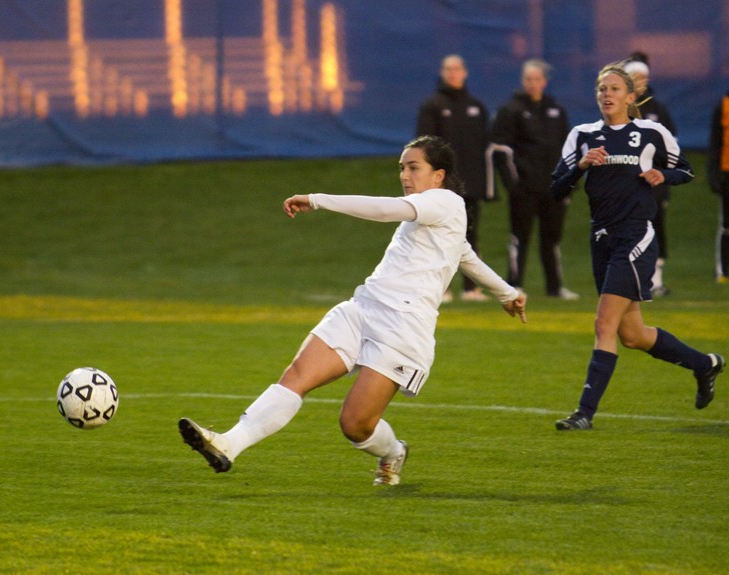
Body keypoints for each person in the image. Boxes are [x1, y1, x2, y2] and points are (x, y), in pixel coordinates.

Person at [179, 136, 527, 484]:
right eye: (401, 168)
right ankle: (227, 443)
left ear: (438, 175)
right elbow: (466, 256)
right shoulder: (436, 216)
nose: (405, 175)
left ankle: (393, 452)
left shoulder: (445, 201)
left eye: (413, 167)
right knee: (296, 377)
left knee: (355, 424)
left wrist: (318, 200)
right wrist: (507, 293)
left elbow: (385, 209)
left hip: (403, 329)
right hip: (362, 308)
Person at [550, 62, 725, 431]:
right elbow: (555, 189)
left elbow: (687, 170)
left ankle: (584, 413)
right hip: (601, 237)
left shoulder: (651, 132)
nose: (607, 95)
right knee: (633, 335)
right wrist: (581, 166)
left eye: (614, 89)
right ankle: (705, 364)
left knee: (604, 323)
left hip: (635, 236)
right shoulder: (582, 134)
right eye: (602, 89)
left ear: (630, 97)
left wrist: (664, 174)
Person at [492, 59, 579, 300]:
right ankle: (514, 284)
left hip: (553, 188)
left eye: (537, 79)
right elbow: (501, 150)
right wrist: (513, 184)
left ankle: (555, 287)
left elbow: (568, 149)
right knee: (519, 237)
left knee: (552, 239)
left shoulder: (556, 110)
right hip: (525, 188)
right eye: (528, 79)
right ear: (523, 81)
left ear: (545, 81)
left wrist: (568, 183)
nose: (533, 83)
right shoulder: (510, 110)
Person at [416, 55, 492, 303]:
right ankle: (441, 288)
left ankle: (471, 288)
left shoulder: (476, 107)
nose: (453, 73)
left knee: (469, 235)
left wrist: (483, 184)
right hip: (441, 186)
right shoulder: (432, 105)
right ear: (442, 72)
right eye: (448, 69)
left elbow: (484, 148)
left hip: (469, 185)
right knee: (438, 236)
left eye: (457, 68)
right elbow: (423, 147)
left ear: (465, 72)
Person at [624, 53, 677, 296]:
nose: (641, 81)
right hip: (628, 182)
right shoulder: (621, 106)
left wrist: (666, 175)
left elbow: (671, 145)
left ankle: (656, 280)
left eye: (643, 77)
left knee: (656, 228)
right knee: (629, 229)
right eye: (636, 77)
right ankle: (630, 278)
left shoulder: (657, 108)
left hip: (654, 182)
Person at [708, 81, 729, 283]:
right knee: (727, 225)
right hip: (728, 173)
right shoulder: (724, 105)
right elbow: (715, 142)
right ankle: (723, 272)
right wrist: (713, 174)